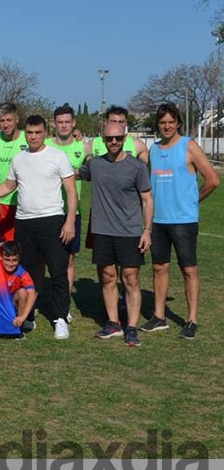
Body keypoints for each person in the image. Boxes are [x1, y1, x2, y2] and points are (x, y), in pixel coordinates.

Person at [0, 115, 77, 340]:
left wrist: (70, 221)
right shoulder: (19, 159)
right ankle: (28, 315)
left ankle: (60, 319)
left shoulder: (58, 156)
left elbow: (72, 191)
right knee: (27, 272)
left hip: (52, 220)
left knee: (58, 271)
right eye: (30, 133)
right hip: (24, 222)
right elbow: (8, 186)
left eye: (38, 132)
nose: (33, 137)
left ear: (45, 133)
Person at [145, 103, 219, 339]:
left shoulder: (189, 145)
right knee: (159, 267)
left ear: (178, 123)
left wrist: (193, 201)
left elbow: (212, 180)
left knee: (188, 269)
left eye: (171, 122)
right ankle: (159, 316)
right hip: (158, 220)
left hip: (183, 220)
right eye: (162, 122)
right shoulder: (154, 149)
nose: (167, 126)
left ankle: (191, 320)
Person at [79, 117, 153, 347]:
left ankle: (131, 327)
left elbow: (147, 199)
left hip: (129, 232)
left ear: (124, 138)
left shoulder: (137, 167)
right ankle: (113, 323)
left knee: (130, 279)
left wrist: (147, 230)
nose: (113, 142)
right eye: (109, 138)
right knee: (107, 276)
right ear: (103, 139)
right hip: (102, 231)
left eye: (118, 138)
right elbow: (73, 173)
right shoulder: (95, 165)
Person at [46, 103, 87, 303]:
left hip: (72, 212)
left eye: (67, 122)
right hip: (47, 211)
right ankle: (37, 300)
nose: (63, 125)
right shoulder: (45, 144)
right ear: (53, 123)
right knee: (44, 259)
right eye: (60, 122)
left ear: (73, 123)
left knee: (69, 259)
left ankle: (64, 303)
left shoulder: (83, 147)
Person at [0, 103, 29, 241]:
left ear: (17, 119)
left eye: (9, 120)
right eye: (2, 121)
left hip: (22, 202)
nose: (5, 125)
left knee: (22, 246)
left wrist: (73, 135)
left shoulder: (27, 138)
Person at [0, 241, 37, 333]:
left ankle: (20, 326)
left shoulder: (22, 273)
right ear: (0, 257)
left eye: (14, 260)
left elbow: (32, 294)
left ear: (19, 259)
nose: (11, 264)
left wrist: (23, 316)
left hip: (12, 304)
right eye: (7, 260)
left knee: (22, 292)